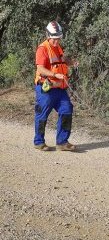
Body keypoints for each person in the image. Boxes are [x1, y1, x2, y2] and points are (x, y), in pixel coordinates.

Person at [33, 21, 75, 151]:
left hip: (60, 89)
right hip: (46, 88)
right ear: (48, 35)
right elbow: (40, 69)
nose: (57, 41)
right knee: (42, 115)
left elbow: (62, 61)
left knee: (67, 109)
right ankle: (39, 142)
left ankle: (62, 142)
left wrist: (71, 63)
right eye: (54, 39)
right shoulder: (42, 49)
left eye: (58, 38)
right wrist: (55, 75)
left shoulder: (58, 47)